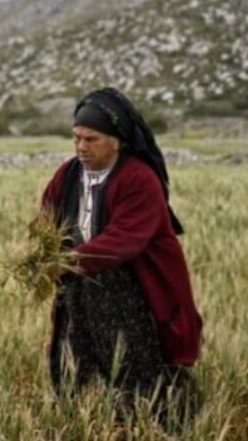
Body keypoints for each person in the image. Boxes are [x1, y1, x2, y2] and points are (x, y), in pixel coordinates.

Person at [39, 87, 202, 424]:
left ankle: (153, 421)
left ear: (118, 141)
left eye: (91, 139)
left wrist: (68, 262)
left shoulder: (139, 179)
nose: (81, 147)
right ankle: (87, 417)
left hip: (132, 290)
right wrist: (41, 250)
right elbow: (47, 217)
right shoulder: (68, 174)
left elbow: (124, 239)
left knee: (134, 363)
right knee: (76, 354)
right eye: (76, 138)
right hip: (79, 287)